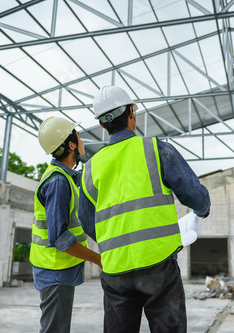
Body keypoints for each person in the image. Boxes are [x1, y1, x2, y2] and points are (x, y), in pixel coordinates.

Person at [79, 86, 211, 332]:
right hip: (158, 265)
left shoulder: (88, 169)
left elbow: (87, 221)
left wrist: (115, 242)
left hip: (115, 269)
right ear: (131, 112)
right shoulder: (156, 149)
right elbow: (196, 198)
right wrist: (201, 212)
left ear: (101, 124)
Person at [30, 116, 102, 333]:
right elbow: (60, 238)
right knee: (55, 329)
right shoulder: (58, 182)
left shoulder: (67, 177)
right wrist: (98, 259)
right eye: (78, 137)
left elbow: (88, 179)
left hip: (58, 268)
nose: (82, 142)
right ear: (71, 145)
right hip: (55, 270)